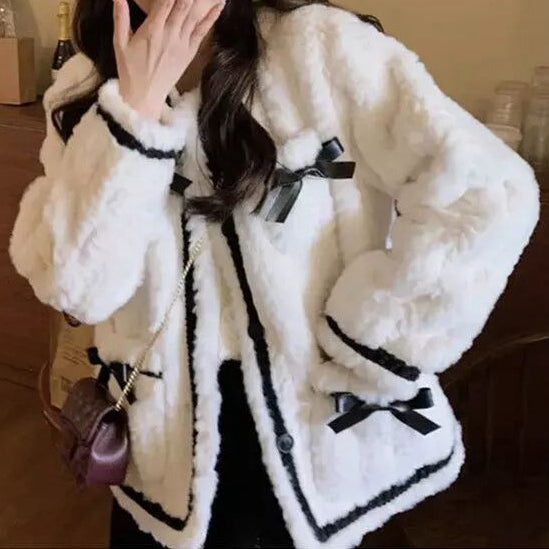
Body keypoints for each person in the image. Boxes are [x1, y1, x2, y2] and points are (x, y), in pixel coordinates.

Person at [9, 0, 540, 547]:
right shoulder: (83, 85)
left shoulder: (320, 50)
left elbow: (489, 193)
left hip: (314, 438)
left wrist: (375, 337)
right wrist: (133, 111)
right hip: (163, 461)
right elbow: (77, 288)